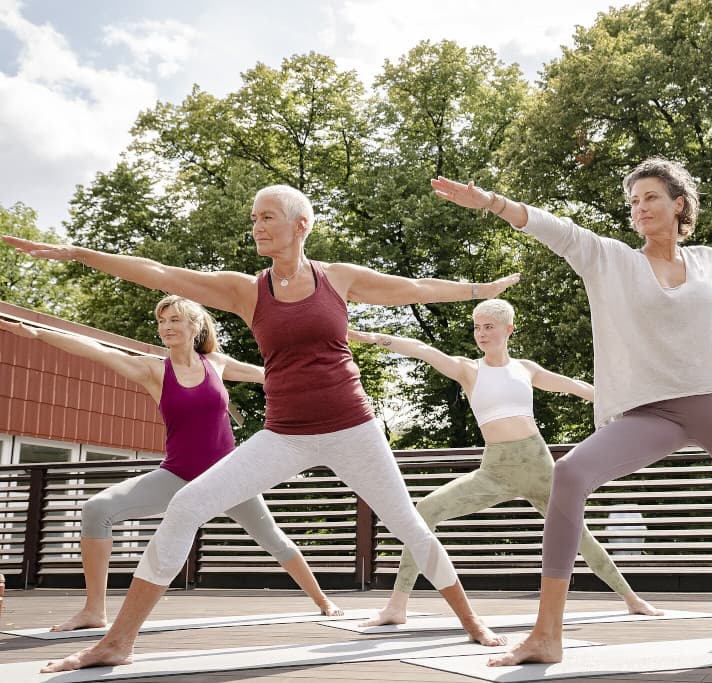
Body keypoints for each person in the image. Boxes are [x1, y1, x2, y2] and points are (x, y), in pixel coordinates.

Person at [2, 183, 518, 672]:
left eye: (266, 217)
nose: (256, 227)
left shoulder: (337, 278)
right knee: (185, 506)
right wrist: (77, 254)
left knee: (408, 524)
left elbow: (414, 288)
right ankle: (117, 641)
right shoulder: (247, 291)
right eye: (253, 219)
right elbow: (157, 270)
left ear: (301, 224)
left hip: (352, 428)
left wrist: (481, 289)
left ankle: (471, 621)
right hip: (284, 434)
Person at [430, 157, 712, 666]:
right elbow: (553, 228)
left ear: (678, 204)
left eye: (651, 198)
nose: (639, 208)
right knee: (571, 472)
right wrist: (490, 202)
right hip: (652, 413)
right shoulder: (610, 259)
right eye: (634, 201)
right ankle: (546, 635)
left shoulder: (708, 262)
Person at [0, 296, 343, 632]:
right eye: (162, 321)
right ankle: (94, 610)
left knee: (274, 540)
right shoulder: (152, 368)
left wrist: (327, 377)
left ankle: (323, 601)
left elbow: (274, 375)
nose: (166, 327)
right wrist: (37, 333)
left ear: (194, 326)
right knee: (96, 509)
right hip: (178, 474)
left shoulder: (217, 363)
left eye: (174, 320)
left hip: (230, 477)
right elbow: (97, 350)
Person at [351, 299, 661, 627]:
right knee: (425, 510)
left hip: (539, 467)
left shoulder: (525, 369)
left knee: (578, 534)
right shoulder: (468, 370)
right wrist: (371, 338)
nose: (481, 334)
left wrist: (630, 406)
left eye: (489, 327)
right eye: (477, 327)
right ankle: (397, 606)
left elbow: (576, 388)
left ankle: (633, 599)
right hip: (495, 470)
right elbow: (419, 348)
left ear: (508, 330)